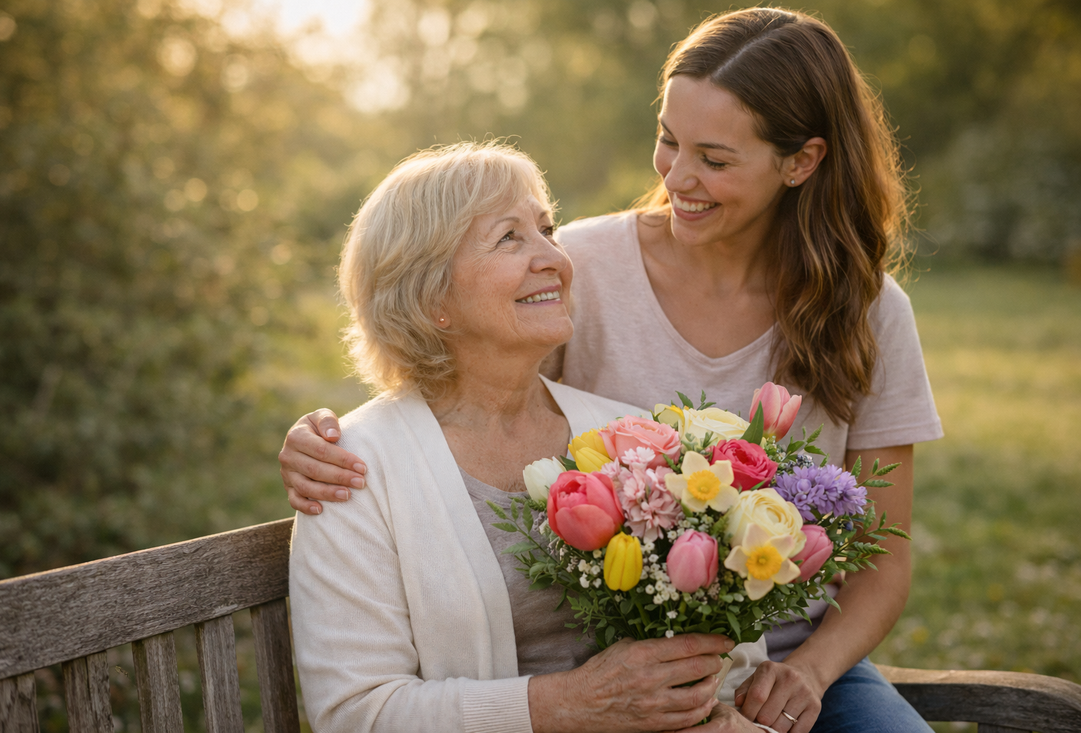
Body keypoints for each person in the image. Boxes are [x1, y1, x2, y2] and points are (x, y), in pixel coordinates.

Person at [282, 9, 943, 733]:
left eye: (715, 159)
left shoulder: (867, 308)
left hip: (790, 660)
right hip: (632, 677)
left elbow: (884, 555)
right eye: (668, 140)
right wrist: (324, 440)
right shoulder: (584, 265)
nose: (678, 176)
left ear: (801, 161)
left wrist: (803, 675)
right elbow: (447, 384)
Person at [289, 141, 779, 732]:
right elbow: (356, 713)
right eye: (509, 238)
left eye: (547, 230)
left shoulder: (632, 439)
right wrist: (570, 705)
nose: (554, 257)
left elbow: (732, 650)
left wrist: (717, 710)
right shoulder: (351, 470)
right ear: (432, 297)